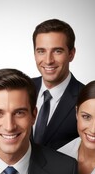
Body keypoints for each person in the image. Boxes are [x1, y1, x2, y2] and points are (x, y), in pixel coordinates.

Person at [32, 19, 84, 150]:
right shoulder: (23, 88)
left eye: (57, 51)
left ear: (71, 54)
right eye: (41, 51)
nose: (48, 61)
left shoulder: (87, 98)